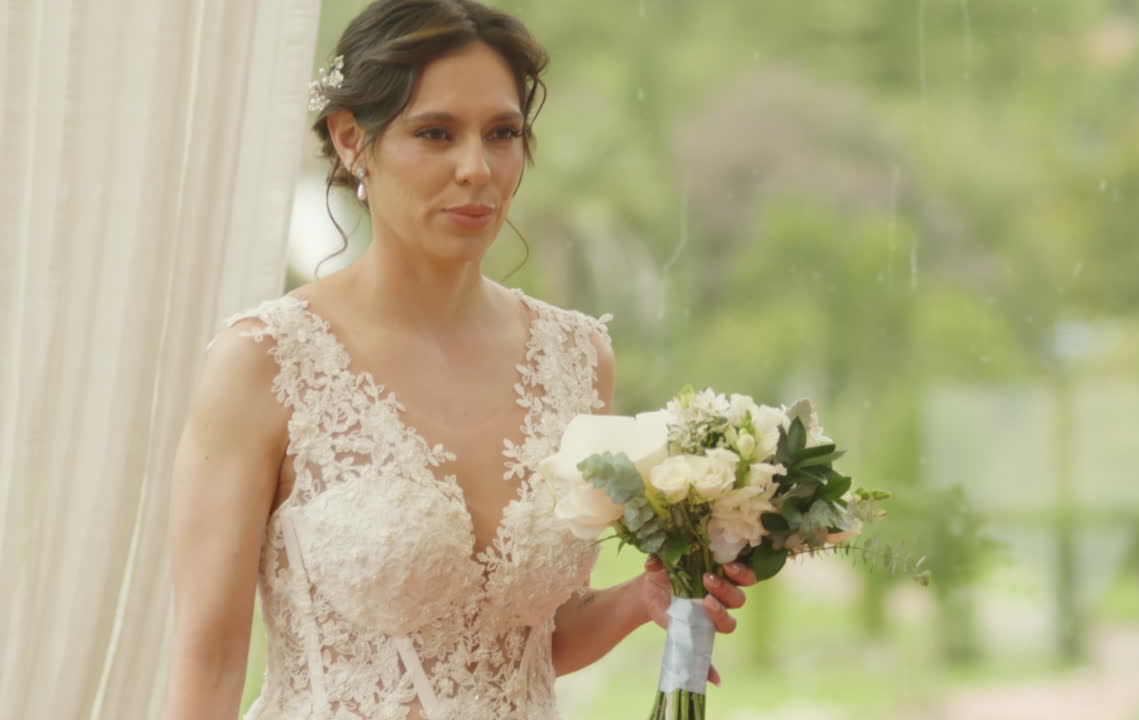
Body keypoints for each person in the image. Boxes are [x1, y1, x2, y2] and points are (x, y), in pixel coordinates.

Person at [161, 2, 756, 718]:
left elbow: (526, 639)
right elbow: (210, 665)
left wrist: (639, 599)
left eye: (501, 133)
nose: (477, 169)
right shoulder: (266, 360)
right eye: (436, 133)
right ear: (352, 139)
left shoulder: (577, 357)